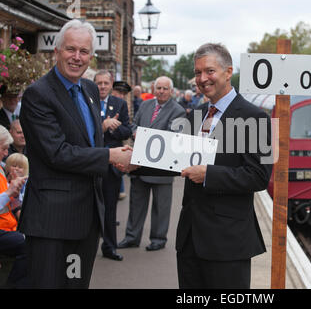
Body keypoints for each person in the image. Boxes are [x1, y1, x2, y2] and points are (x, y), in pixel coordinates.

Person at [18, 19, 132, 289]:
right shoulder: (38, 95)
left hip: (87, 218)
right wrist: (109, 156)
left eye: (83, 51)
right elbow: (57, 153)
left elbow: (92, 144)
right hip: (52, 223)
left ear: (91, 56)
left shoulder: (90, 89)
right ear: (56, 51)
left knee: (76, 284)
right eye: (71, 49)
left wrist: (121, 161)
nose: (77, 57)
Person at [175, 43, 273, 288]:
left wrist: (208, 174)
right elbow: (173, 158)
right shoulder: (195, 114)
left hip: (227, 242)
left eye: (209, 71)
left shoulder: (255, 117)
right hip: (190, 238)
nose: (202, 79)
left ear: (228, 72)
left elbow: (259, 176)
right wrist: (134, 162)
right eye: (198, 73)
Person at [118, 76, 185, 251]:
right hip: (140, 163)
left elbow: (172, 136)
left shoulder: (178, 111)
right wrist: (135, 133)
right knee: (136, 204)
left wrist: (146, 136)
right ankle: (132, 237)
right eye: (158, 88)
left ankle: (158, 239)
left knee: (161, 207)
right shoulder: (146, 105)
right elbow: (133, 125)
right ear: (154, 89)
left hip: (162, 167)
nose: (161, 91)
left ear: (171, 91)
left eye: (165, 88)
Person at [94, 70, 132, 261]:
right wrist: (102, 125)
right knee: (89, 207)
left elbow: (127, 130)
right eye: (99, 83)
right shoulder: (87, 102)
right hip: (91, 163)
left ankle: (109, 247)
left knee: (110, 208)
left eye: (105, 83)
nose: (102, 86)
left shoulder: (120, 104)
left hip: (113, 165)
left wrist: (113, 126)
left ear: (111, 85)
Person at [0, 125, 28, 288]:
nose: (6, 153)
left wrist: (15, 195)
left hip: (9, 225)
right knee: (28, 244)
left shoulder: (2, 168)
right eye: (3, 148)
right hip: (3, 228)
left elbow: (8, 205)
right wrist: (10, 192)